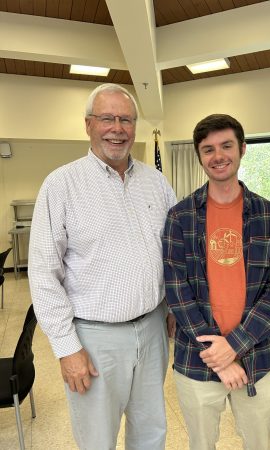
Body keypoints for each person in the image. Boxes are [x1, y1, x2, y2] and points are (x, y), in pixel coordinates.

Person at [28, 83, 176, 450]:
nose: (118, 128)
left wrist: (172, 306)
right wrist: (66, 347)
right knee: (97, 440)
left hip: (153, 328)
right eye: (107, 118)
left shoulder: (156, 182)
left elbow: (174, 251)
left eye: (126, 119)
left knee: (151, 432)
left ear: (135, 127)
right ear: (88, 124)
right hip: (94, 339)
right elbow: (44, 272)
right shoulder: (61, 185)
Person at [162, 114, 270, 450]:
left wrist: (233, 346)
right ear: (199, 156)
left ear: (242, 149)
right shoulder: (180, 217)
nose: (218, 155)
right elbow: (177, 292)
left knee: (258, 445)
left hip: (257, 360)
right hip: (197, 360)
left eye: (226, 146)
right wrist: (218, 354)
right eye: (208, 149)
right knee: (201, 445)